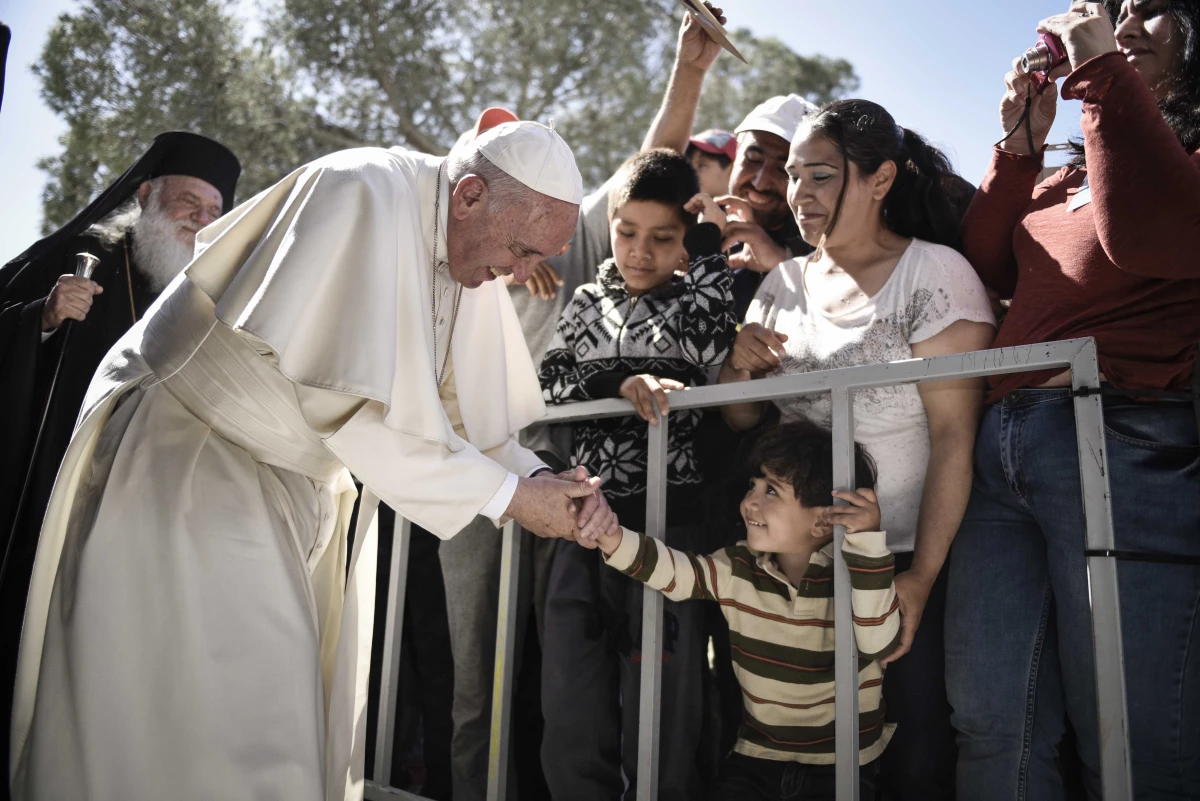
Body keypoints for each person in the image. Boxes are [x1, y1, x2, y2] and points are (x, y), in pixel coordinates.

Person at [8, 121, 618, 801]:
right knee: (206, 729)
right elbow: (352, 411)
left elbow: (460, 415)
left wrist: (540, 478)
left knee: (272, 718)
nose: (517, 272)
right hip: (192, 461)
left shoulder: (466, 250)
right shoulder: (362, 192)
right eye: (520, 248)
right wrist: (510, 499)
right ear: (471, 195)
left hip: (283, 486)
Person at [947, 1, 1200, 798]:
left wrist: (1100, 74)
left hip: (1120, 441)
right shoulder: (1075, 159)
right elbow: (984, 259)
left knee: (1130, 742)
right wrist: (1020, 148)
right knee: (992, 721)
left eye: (1153, 9)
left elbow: (1151, 234)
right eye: (1114, 9)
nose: (1126, 22)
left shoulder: (1177, 150)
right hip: (999, 451)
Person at [717, 99, 996, 801]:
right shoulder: (779, 286)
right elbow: (742, 415)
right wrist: (738, 364)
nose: (799, 194)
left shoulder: (935, 276)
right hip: (788, 571)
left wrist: (922, 577)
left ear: (879, 180)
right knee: (793, 760)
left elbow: (955, 438)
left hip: (896, 563)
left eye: (820, 176)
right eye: (794, 177)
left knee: (908, 753)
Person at [0, 130, 239, 800]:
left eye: (211, 210)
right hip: (50, 490)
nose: (197, 218)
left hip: (140, 506)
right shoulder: (86, 256)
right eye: (186, 201)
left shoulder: (202, 294)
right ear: (145, 195)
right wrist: (41, 318)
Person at [538, 148, 737, 800]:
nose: (640, 251)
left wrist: (706, 239)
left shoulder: (694, 298)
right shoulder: (587, 300)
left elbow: (711, 347)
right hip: (584, 520)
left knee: (663, 698)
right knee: (572, 687)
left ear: (684, 240)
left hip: (669, 527)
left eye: (663, 237)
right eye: (627, 232)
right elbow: (552, 380)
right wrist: (619, 381)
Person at [584, 421, 899, 801]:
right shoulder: (739, 566)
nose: (751, 501)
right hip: (757, 757)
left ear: (824, 519)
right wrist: (611, 537)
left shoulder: (857, 571)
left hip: (845, 764)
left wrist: (866, 544)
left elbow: (877, 640)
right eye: (754, 485)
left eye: (772, 491)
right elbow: (677, 573)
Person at [686, 128, 738, 197]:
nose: (692, 173)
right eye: (689, 166)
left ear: (732, 171)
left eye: (702, 165)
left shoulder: (744, 207)